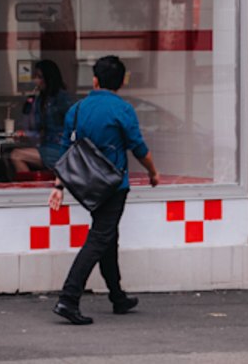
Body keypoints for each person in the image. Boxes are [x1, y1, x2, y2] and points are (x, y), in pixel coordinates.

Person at [50, 55, 161, 326]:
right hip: (113, 186)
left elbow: (66, 149)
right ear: (122, 81)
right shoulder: (122, 110)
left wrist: (58, 187)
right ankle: (69, 297)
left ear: (95, 80)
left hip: (85, 185)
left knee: (108, 237)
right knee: (100, 238)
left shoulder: (76, 109)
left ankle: (117, 296)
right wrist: (153, 172)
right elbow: (139, 148)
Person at [9, 60, 72, 174]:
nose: (36, 81)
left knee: (16, 155)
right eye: (35, 77)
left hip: (59, 149)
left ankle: (29, 189)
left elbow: (73, 123)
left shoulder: (62, 99)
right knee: (8, 156)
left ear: (49, 79)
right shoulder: (40, 100)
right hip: (46, 146)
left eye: (40, 77)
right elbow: (35, 127)